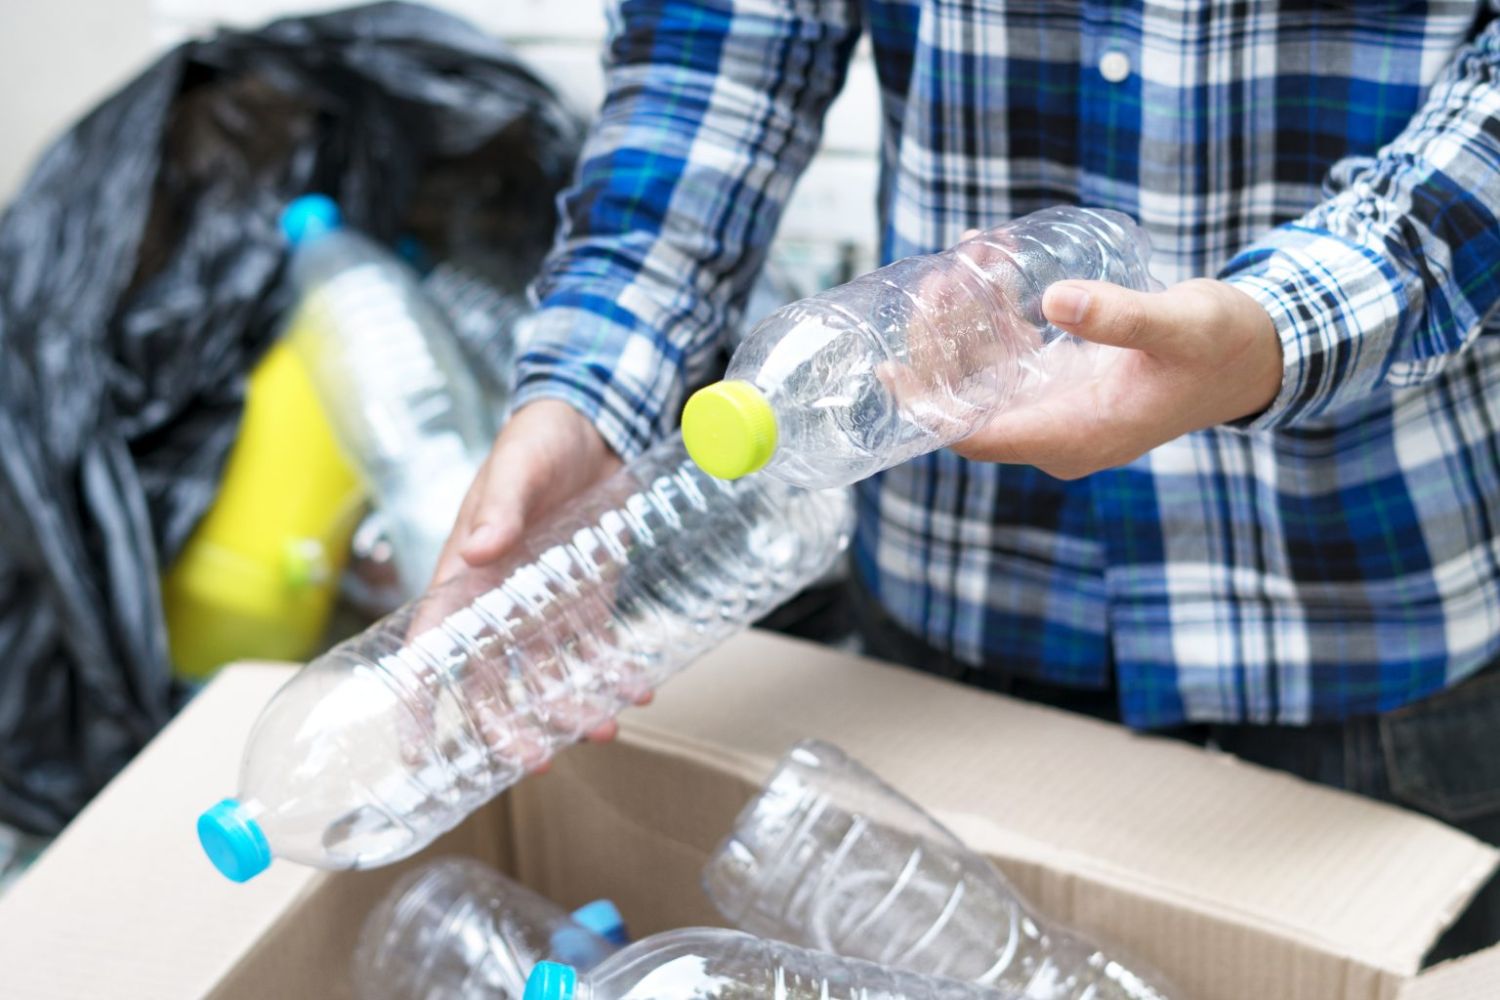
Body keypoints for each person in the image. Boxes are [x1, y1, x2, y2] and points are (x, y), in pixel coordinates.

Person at [435, 0, 1500, 955]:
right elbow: (710, 56)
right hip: (957, 600)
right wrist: (588, 398)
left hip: (1364, 610)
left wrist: (1282, 326)